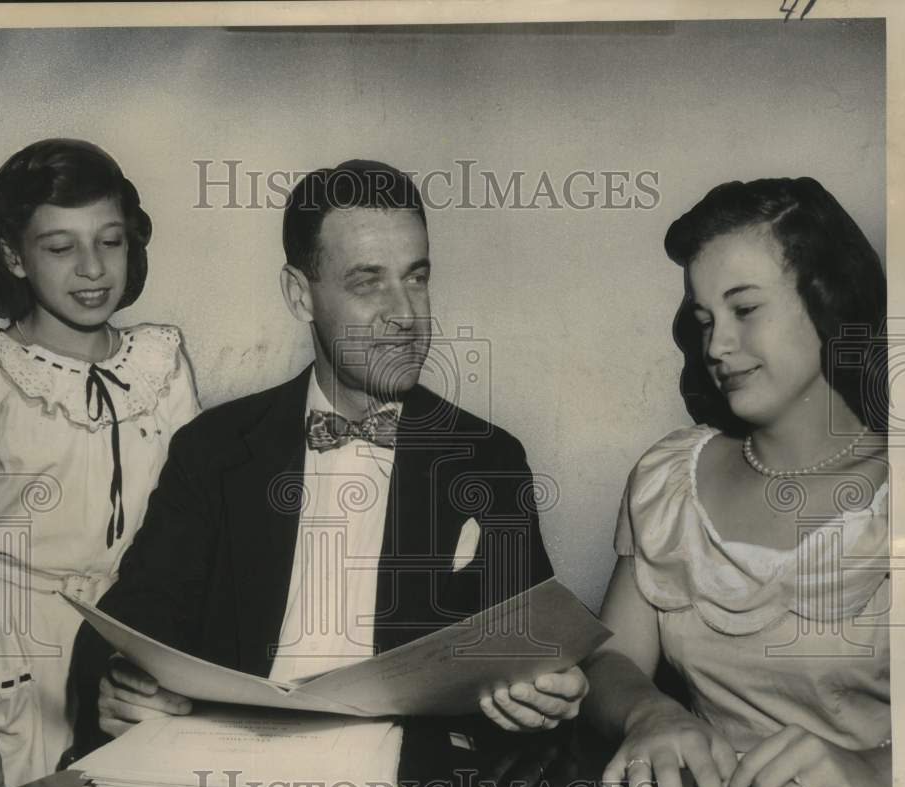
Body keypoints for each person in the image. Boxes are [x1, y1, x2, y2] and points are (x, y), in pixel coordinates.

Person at [72, 159, 587, 754]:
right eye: (368, 282)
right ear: (299, 295)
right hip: (228, 780)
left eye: (416, 278)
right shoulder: (213, 448)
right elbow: (132, 623)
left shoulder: (487, 458)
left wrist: (554, 689)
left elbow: (540, 643)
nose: (406, 315)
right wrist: (115, 682)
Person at [580, 177, 891, 787]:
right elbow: (609, 661)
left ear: (828, 299)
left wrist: (880, 773)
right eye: (704, 320)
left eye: (745, 310)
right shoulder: (669, 478)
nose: (718, 346)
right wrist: (649, 712)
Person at [0, 139, 201, 787]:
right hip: (2, 657)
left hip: (126, 651)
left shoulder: (162, 362)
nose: (92, 269)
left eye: (109, 241)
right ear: (12, 256)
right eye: (60, 248)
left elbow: (197, 536)